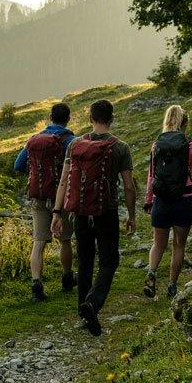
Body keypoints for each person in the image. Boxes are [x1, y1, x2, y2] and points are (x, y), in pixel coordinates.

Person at [51, 99, 135, 336]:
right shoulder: (120, 147)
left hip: (79, 212)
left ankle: (82, 311)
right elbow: (128, 186)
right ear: (111, 119)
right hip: (105, 212)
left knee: (85, 261)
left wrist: (57, 213)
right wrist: (131, 215)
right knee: (109, 261)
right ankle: (93, 303)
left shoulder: (75, 145)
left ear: (90, 118)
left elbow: (64, 181)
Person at [142, 103, 192, 300]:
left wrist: (148, 200)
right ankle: (172, 286)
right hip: (184, 200)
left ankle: (151, 274)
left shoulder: (157, 145)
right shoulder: (191, 146)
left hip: (161, 201)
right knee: (179, 245)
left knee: (158, 243)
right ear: (184, 123)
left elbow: (151, 176)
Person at [14, 102, 75, 301]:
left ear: (50, 117)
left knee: (39, 242)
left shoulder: (35, 139)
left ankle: (36, 286)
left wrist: (36, 175)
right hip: (60, 197)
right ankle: (67, 278)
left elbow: (18, 165)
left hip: (38, 197)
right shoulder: (70, 140)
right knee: (64, 239)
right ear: (68, 118)